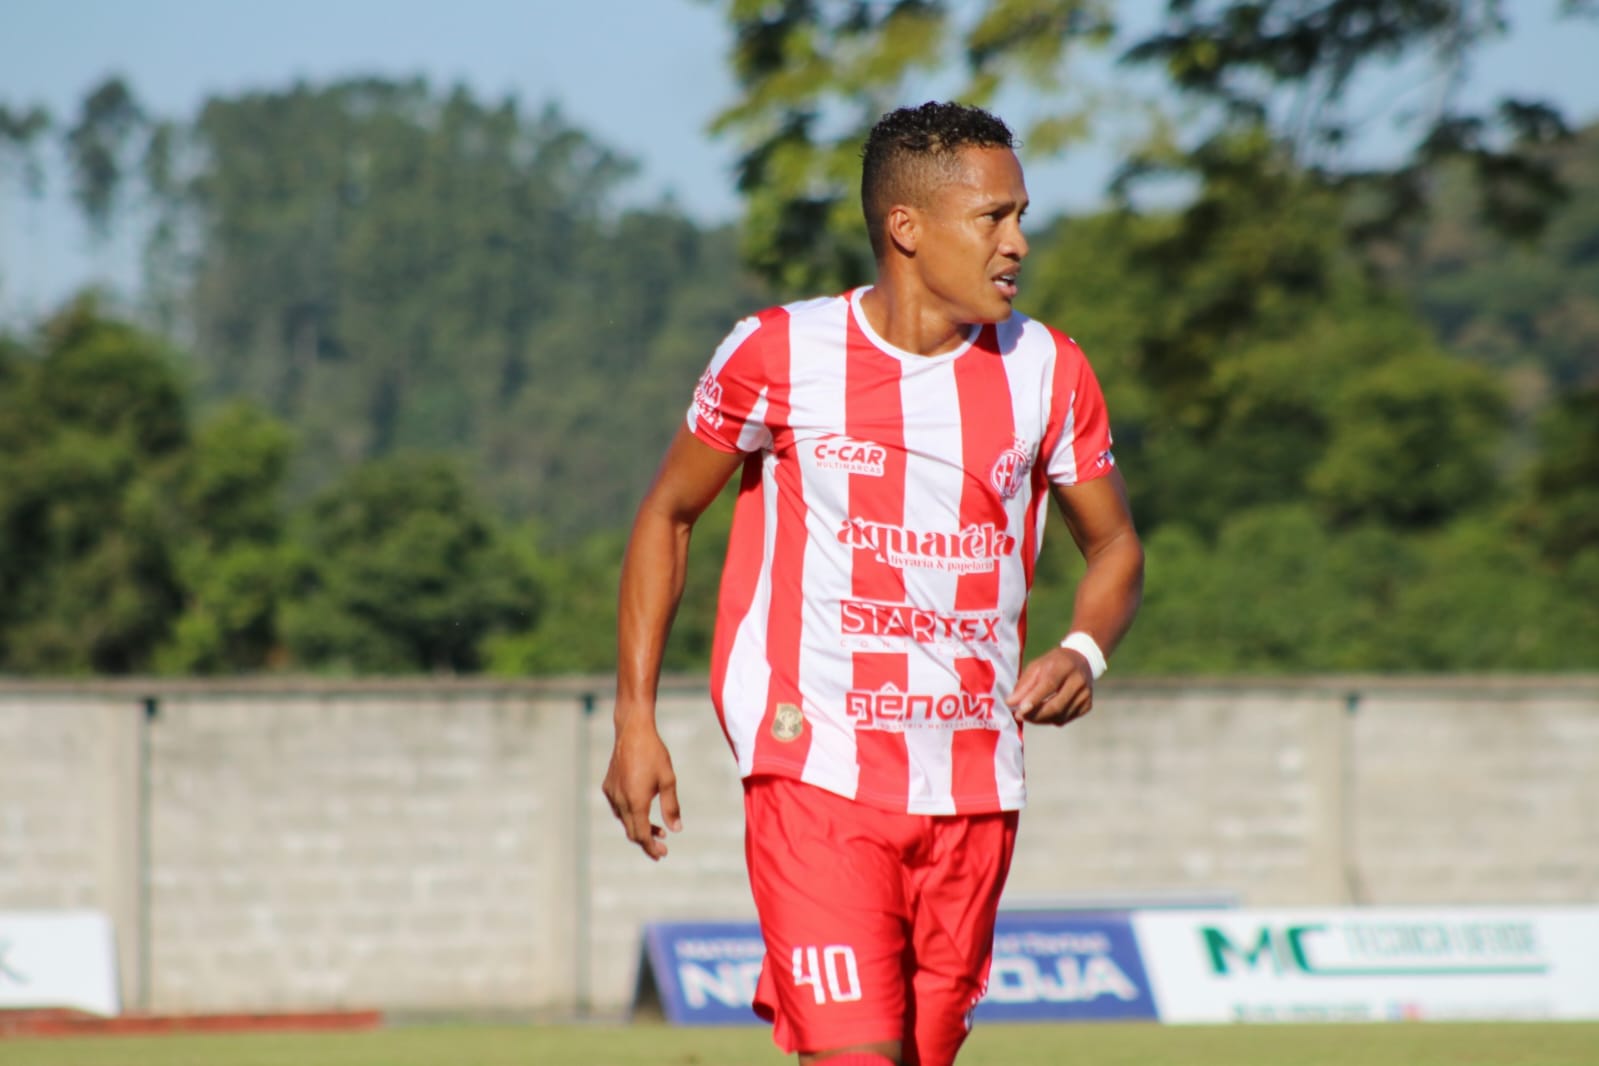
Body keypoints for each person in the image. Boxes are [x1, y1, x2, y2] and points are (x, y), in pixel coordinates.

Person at [602, 101, 1144, 1066]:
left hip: (975, 786)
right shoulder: (777, 352)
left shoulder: (1049, 370)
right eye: (992, 217)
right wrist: (633, 717)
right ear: (906, 227)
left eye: (1020, 216)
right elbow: (667, 515)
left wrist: (1082, 650)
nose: (1017, 243)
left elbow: (1115, 549)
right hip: (815, 774)